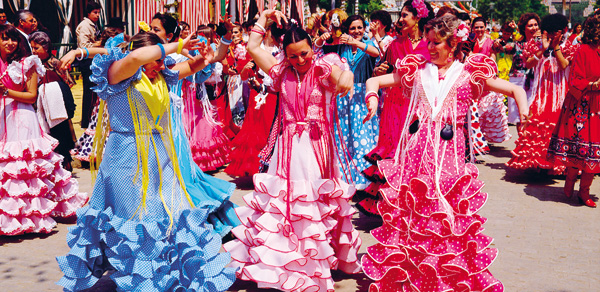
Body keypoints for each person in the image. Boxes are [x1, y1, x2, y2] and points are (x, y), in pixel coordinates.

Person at [56, 32, 236, 291]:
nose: (161, 65)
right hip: (125, 158)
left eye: (162, 60)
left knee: (170, 216)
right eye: (158, 59)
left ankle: (165, 276)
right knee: (137, 222)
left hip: (160, 157)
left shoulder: (162, 75)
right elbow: (139, 56)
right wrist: (179, 44)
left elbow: (190, 67)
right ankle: (141, 282)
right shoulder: (118, 74)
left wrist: (202, 60)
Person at [360, 14, 529, 291]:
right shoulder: (416, 70)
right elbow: (375, 82)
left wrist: (523, 112)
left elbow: (513, 89)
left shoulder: (468, 74)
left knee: (445, 223)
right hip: (414, 160)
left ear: (453, 43)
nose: (429, 47)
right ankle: (410, 278)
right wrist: (372, 99)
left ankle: (443, 278)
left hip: (449, 162)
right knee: (413, 220)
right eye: (428, 42)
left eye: (436, 43)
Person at [223, 10, 361, 291]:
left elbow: (342, 77)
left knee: (313, 208)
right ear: (286, 55)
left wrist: (345, 77)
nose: (300, 61)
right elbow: (252, 47)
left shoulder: (322, 68)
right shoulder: (280, 71)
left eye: (305, 54)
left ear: (313, 48)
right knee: (285, 207)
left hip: (316, 148)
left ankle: (316, 264)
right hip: (287, 149)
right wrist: (265, 17)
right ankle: (286, 262)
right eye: (294, 56)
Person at [0, 25, 88, 236]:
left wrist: (6, 91)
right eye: (4, 39)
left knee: (28, 167)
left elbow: (31, 96)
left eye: (13, 39)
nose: (10, 43)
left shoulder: (26, 63)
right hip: (3, 117)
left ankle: (34, 215)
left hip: (22, 116)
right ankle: (10, 217)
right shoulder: (5, 64)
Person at [357, 0, 434, 216]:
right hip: (394, 105)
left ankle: (415, 203)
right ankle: (391, 206)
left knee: (415, 152)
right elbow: (383, 71)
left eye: (405, 15)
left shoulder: (431, 44)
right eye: (401, 15)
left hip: (419, 106)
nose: (400, 19)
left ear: (418, 17)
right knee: (393, 151)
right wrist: (380, 71)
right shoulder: (395, 45)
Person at [507, 13, 578, 175]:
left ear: (564, 30)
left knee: (559, 128)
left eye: (556, 32)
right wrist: (543, 49)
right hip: (540, 95)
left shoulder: (569, 46)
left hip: (560, 96)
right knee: (536, 126)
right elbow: (528, 64)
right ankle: (535, 163)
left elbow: (563, 65)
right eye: (549, 31)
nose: (552, 35)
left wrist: (556, 47)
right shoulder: (536, 45)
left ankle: (558, 166)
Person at [316, 14, 380, 190]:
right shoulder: (341, 48)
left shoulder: (367, 45)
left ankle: (366, 180)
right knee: (344, 137)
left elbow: (376, 53)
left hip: (362, 96)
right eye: (353, 28)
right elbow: (320, 54)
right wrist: (321, 39)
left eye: (360, 27)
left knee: (363, 137)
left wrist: (355, 42)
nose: (357, 31)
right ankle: (346, 178)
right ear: (347, 30)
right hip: (343, 98)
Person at [548, 15, 600, 208]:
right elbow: (575, 79)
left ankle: (584, 191)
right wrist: (594, 84)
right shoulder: (583, 50)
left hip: (599, 107)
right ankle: (570, 179)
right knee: (579, 148)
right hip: (583, 104)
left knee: (596, 151)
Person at [224, 20, 280, 177]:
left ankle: (270, 166)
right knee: (255, 128)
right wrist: (247, 70)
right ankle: (255, 166)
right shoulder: (256, 50)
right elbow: (243, 76)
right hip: (258, 91)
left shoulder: (281, 49)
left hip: (275, 94)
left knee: (270, 127)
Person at [30, 31, 77, 171]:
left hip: (58, 106)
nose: (33, 51)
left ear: (45, 47)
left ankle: (65, 164)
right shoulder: (33, 63)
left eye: (36, 48)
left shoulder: (56, 63)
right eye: (32, 47)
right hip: (40, 105)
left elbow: (68, 82)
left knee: (61, 134)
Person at [507, 13, 541, 129]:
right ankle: (521, 143)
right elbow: (500, 46)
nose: (534, 28)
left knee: (533, 114)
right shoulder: (517, 44)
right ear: (524, 28)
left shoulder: (542, 44)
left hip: (535, 81)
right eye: (530, 25)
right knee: (519, 116)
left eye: (536, 25)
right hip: (518, 81)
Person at [76, 1, 101, 130]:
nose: (97, 15)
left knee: (92, 92)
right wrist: (98, 44)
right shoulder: (85, 25)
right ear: (88, 13)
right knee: (89, 92)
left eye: (98, 13)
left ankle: (90, 119)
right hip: (87, 61)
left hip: (92, 60)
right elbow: (83, 46)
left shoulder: (93, 24)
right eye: (95, 12)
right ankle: (86, 121)